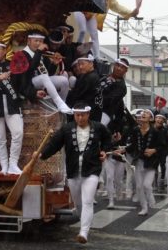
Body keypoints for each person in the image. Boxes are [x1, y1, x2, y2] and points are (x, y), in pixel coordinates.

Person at [41, 102, 111, 243]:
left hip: (92, 169)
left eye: (83, 115)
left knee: (87, 201)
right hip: (73, 171)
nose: (80, 118)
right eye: (77, 115)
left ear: (88, 114)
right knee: (78, 203)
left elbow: (107, 139)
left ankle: (84, 232)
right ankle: (83, 220)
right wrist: (41, 155)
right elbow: (54, 144)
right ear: (74, 115)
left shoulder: (98, 127)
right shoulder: (67, 129)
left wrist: (104, 151)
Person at [74, 0, 139, 58]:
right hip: (81, 10)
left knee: (94, 35)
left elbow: (117, 7)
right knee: (82, 30)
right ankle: (78, 49)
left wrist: (131, 12)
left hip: (91, 14)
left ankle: (97, 57)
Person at [11, 30, 72, 115]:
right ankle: (59, 102)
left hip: (41, 81)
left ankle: (62, 104)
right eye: (36, 41)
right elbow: (32, 68)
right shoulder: (21, 54)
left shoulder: (42, 54)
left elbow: (48, 74)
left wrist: (54, 64)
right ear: (29, 41)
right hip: (27, 84)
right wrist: (38, 52)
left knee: (64, 80)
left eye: (40, 41)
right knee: (43, 77)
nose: (38, 43)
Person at [0, 42, 24, 175]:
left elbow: (22, 83)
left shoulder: (13, 66)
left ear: (5, 50)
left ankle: (13, 164)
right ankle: (4, 166)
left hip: (12, 103)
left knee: (18, 133)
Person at [126, 109, 165, 216]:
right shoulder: (135, 130)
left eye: (147, 113)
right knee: (139, 187)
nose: (143, 114)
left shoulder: (156, 132)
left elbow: (163, 147)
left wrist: (153, 150)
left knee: (147, 185)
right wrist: (122, 150)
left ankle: (151, 198)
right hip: (138, 161)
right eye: (143, 112)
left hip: (151, 163)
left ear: (151, 119)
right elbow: (132, 146)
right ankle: (144, 208)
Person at [66, 53, 101, 121]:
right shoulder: (87, 74)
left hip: (87, 114)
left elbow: (77, 96)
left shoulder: (91, 78)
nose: (80, 67)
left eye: (82, 64)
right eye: (79, 64)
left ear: (91, 64)